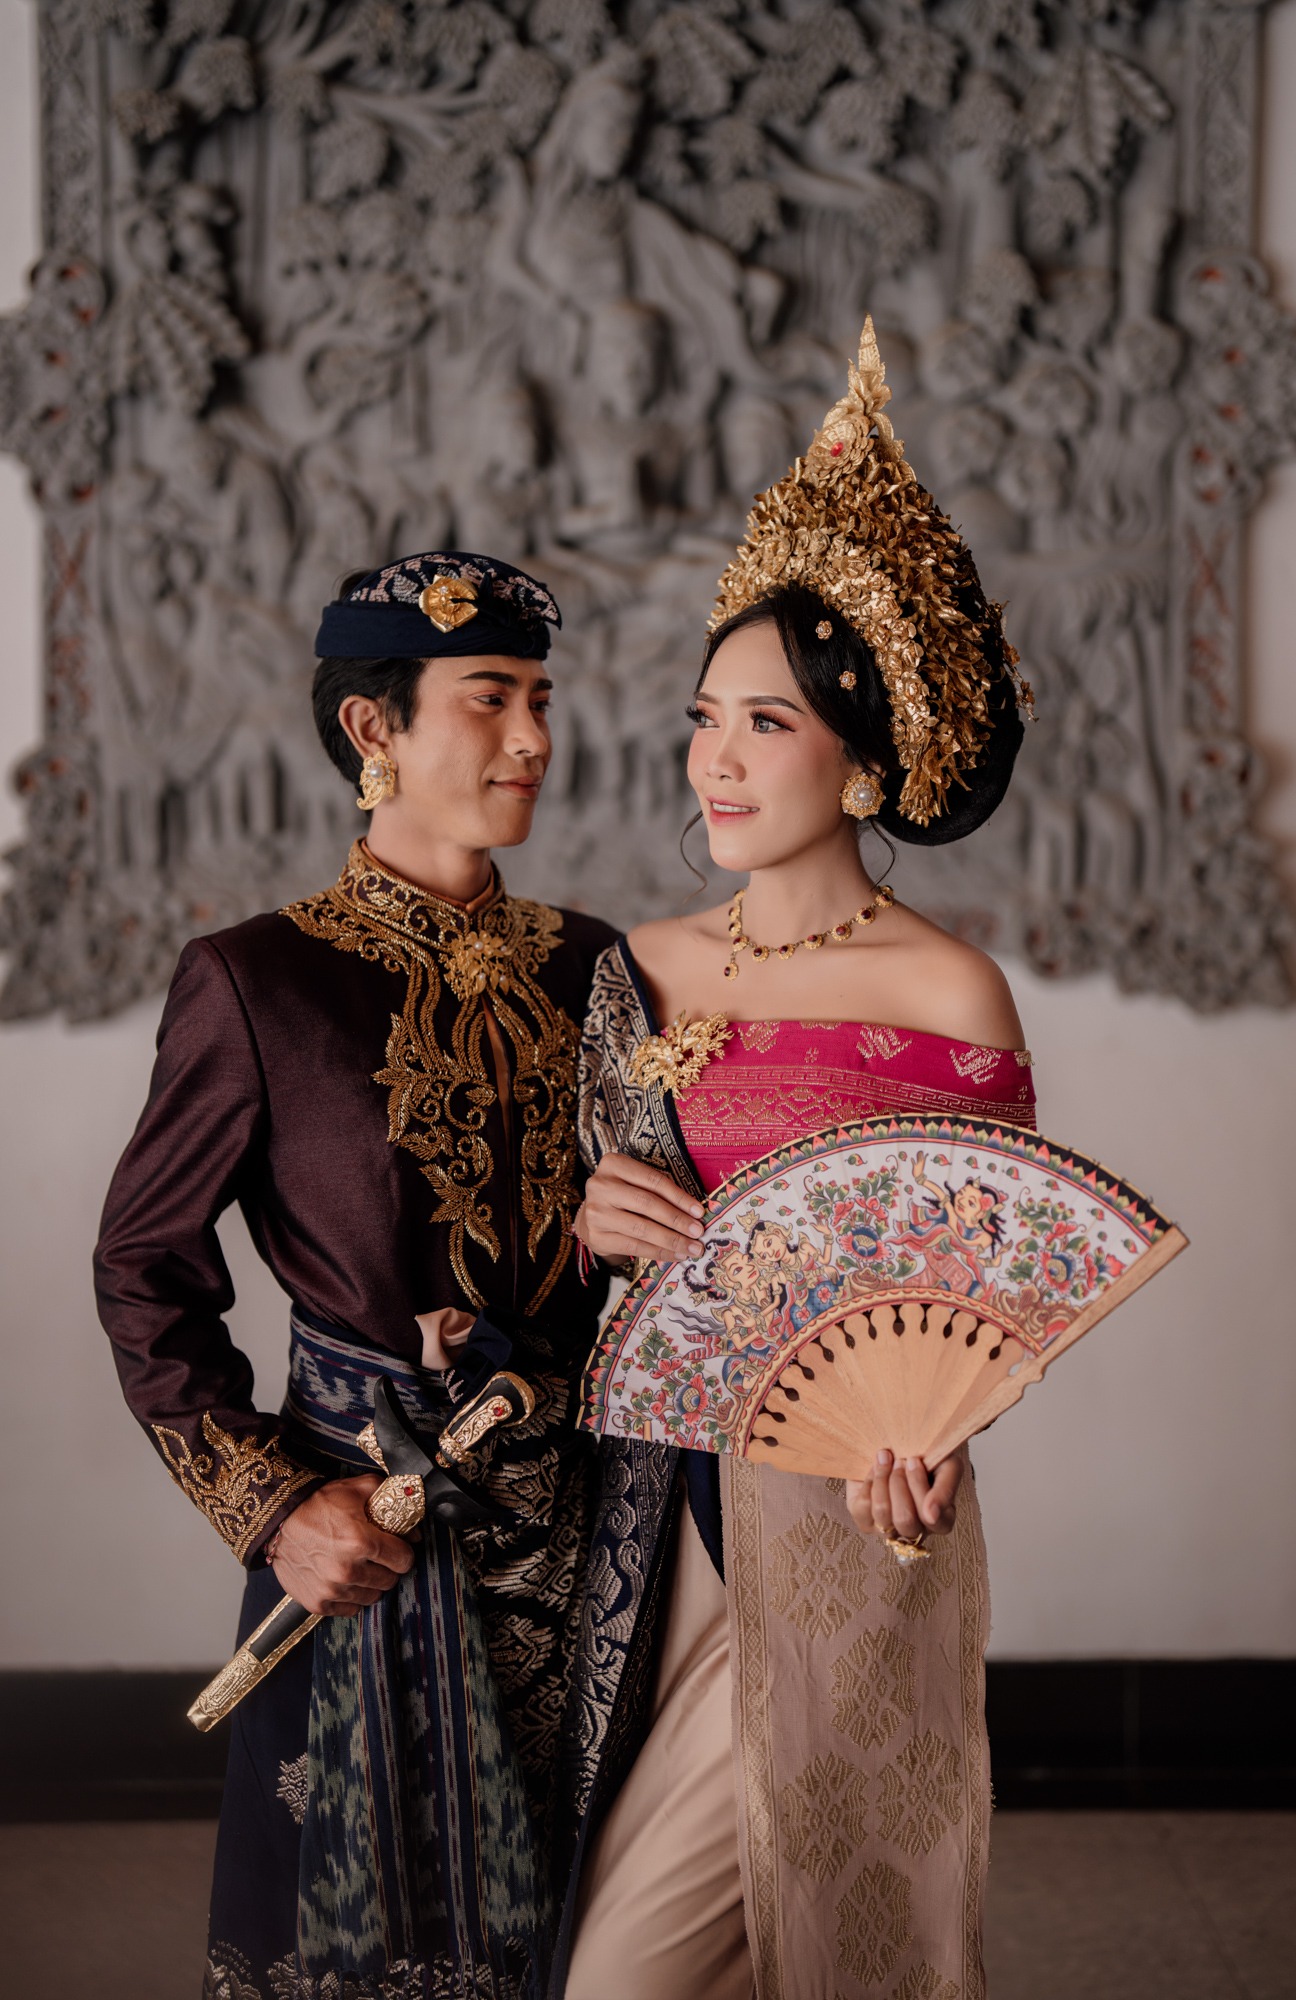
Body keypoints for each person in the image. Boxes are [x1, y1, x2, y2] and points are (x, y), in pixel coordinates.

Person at [566, 324, 1037, 1998]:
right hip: (639, 1526)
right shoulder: (634, 972)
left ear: (866, 747)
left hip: (842, 1521)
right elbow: (557, 1261)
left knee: (744, 1955)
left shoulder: (948, 994)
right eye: (706, 716)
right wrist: (586, 1222)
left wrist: (930, 1446)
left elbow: (981, 1303)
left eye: (765, 722)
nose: (717, 758)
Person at [93, 551, 618, 2000]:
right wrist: (273, 1509)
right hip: (370, 1530)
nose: (535, 738)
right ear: (372, 727)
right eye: (492, 699)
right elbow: (144, 1265)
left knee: (601, 1934)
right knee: (368, 1936)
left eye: (542, 699)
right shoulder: (258, 979)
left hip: (595, 1530)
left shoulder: (598, 968)